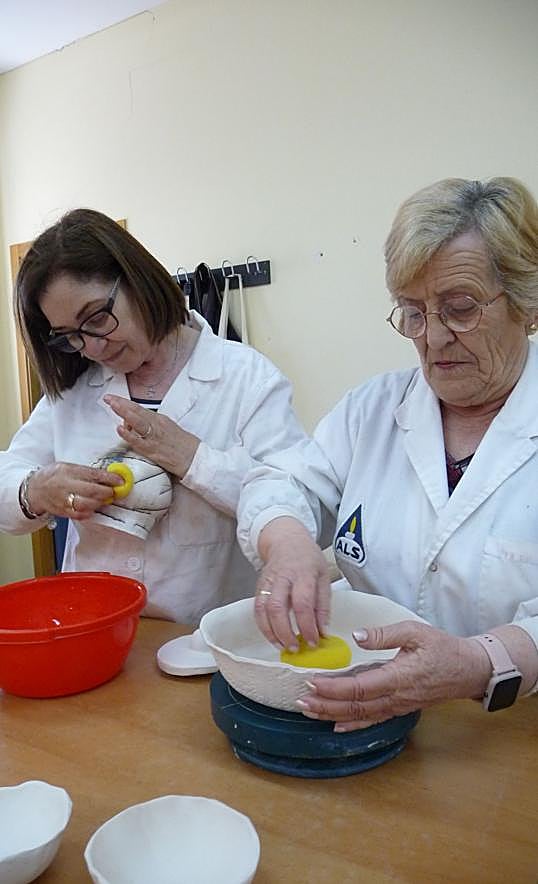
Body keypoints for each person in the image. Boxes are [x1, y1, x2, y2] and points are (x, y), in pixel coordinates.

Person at [237, 176, 538, 729]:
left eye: (460, 308)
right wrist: (288, 543)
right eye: (413, 312)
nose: (433, 336)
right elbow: (283, 483)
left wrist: (479, 663)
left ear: (528, 305)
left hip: (507, 736)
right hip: (371, 720)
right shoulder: (372, 410)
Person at [0, 209, 308, 623]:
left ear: (136, 279)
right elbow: (8, 479)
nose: (92, 348)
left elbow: (299, 504)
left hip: (202, 638)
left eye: (95, 318)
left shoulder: (247, 378)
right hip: (94, 629)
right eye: (71, 336)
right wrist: (35, 489)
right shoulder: (75, 390)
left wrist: (194, 458)